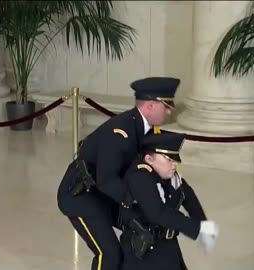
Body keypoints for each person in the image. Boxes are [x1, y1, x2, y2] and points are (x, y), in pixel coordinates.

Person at [57, 77, 180, 270]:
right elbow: (107, 180)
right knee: (109, 254)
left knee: (148, 233)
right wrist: (140, 200)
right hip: (82, 197)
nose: (169, 110)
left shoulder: (149, 132)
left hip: (108, 194)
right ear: (150, 106)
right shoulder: (120, 132)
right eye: (165, 106)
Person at [119, 132, 219, 270]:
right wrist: (196, 229)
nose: (174, 165)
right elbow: (157, 213)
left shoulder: (171, 177)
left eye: (175, 160)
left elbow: (189, 199)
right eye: (169, 160)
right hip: (143, 250)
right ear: (149, 159)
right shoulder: (140, 177)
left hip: (168, 246)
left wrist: (203, 223)